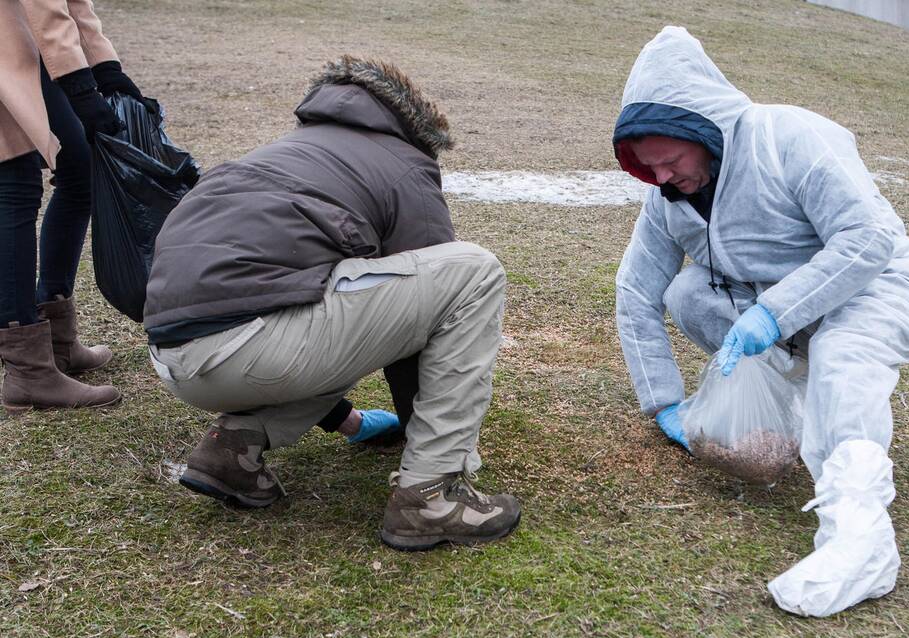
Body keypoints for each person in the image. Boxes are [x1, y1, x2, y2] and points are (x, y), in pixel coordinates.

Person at [612, 27, 909, 617]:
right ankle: (796, 412)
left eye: (669, 161)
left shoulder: (789, 135)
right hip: (780, 305)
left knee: (842, 358)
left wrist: (772, 313)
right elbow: (637, 290)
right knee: (689, 292)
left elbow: (869, 238)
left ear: (701, 132)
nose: (660, 178)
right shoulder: (667, 198)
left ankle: (859, 538)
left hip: (878, 284)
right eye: (647, 167)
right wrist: (663, 401)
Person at [145, 56, 520, 551]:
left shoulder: (289, 149)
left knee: (343, 293)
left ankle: (234, 448)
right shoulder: (405, 163)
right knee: (474, 271)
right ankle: (430, 497)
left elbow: (309, 307)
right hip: (257, 347)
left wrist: (341, 416)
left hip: (174, 359)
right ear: (415, 126)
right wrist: (424, 439)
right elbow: (423, 325)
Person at [0, 0, 148, 412]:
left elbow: (71, 3)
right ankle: (27, 369)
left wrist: (106, 69)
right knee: (14, 184)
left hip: (22, 44)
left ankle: (57, 340)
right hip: (10, 46)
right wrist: (81, 87)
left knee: (80, 171)